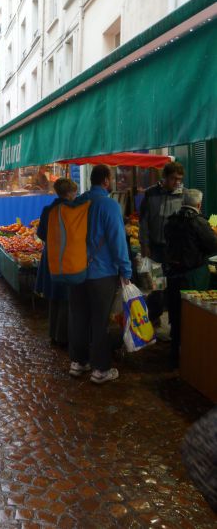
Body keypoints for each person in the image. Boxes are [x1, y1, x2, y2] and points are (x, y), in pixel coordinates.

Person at [67, 164, 132, 384]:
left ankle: (78, 362)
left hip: (76, 271)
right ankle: (100, 369)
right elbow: (117, 241)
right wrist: (126, 269)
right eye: (111, 178)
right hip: (101, 273)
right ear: (105, 180)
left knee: (79, 318)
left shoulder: (78, 202)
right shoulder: (109, 205)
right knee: (100, 321)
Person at [164, 189, 217, 367]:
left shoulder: (171, 221)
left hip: (173, 275)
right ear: (198, 205)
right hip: (193, 275)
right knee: (193, 314)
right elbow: (213, 244)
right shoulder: (199, 222)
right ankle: (192, 356)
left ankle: (173, 354)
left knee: (176, 313)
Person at [36, 178, 78, 346]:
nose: (76, 194)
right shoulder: (72, 209)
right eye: (74, 191)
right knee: (66, 297)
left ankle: (53, 333)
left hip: (50, 255)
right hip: (66, 257)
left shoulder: (48, 209)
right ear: (69, 193)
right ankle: (63, 336)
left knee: (54, 296)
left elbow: (40, 234)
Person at [139, 161, 185, 264]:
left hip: (175, 250)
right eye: (173, 178)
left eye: (180, 179)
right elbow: (143, 221)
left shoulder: (183, 196)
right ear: (164, 176)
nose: (177, 182)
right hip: (154, 248)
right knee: (156, 279)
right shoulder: (150, 194)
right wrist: (144, 245)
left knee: (173, 279)